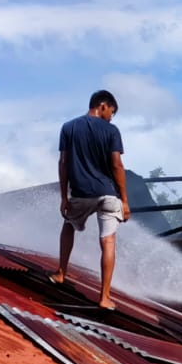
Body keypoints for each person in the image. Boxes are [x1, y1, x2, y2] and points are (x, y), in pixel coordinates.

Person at [55, 89, 130, 309]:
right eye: (111, 112)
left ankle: (61, 272)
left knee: (69, 225)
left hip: (81, 193)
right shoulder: (112, 131)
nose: (111, 117)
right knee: (108, 241)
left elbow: (63, 163)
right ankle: (105, 297)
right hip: (108, 194)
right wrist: (124, 200)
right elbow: (117, 165)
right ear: (103, 106)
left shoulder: (69, 128)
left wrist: (63, 196)